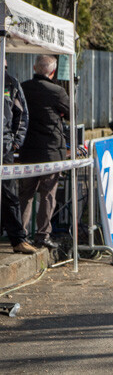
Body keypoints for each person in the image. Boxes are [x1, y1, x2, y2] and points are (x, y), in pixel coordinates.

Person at [18, 55, 70, 251]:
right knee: (48, 194)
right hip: (51, 151)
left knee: (26, 194)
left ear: (34, 68)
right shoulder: (57, 91)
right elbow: (72, 113)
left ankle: (20, 235)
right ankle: (42, 235)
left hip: (27, 149)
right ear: (53, 72)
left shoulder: (22, 87)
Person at [2, 64, 35, 255]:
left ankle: (18, 240)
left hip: (4, 146)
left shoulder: (10, 83)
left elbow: (22, 115)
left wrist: (15, 142)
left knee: (8, 193)